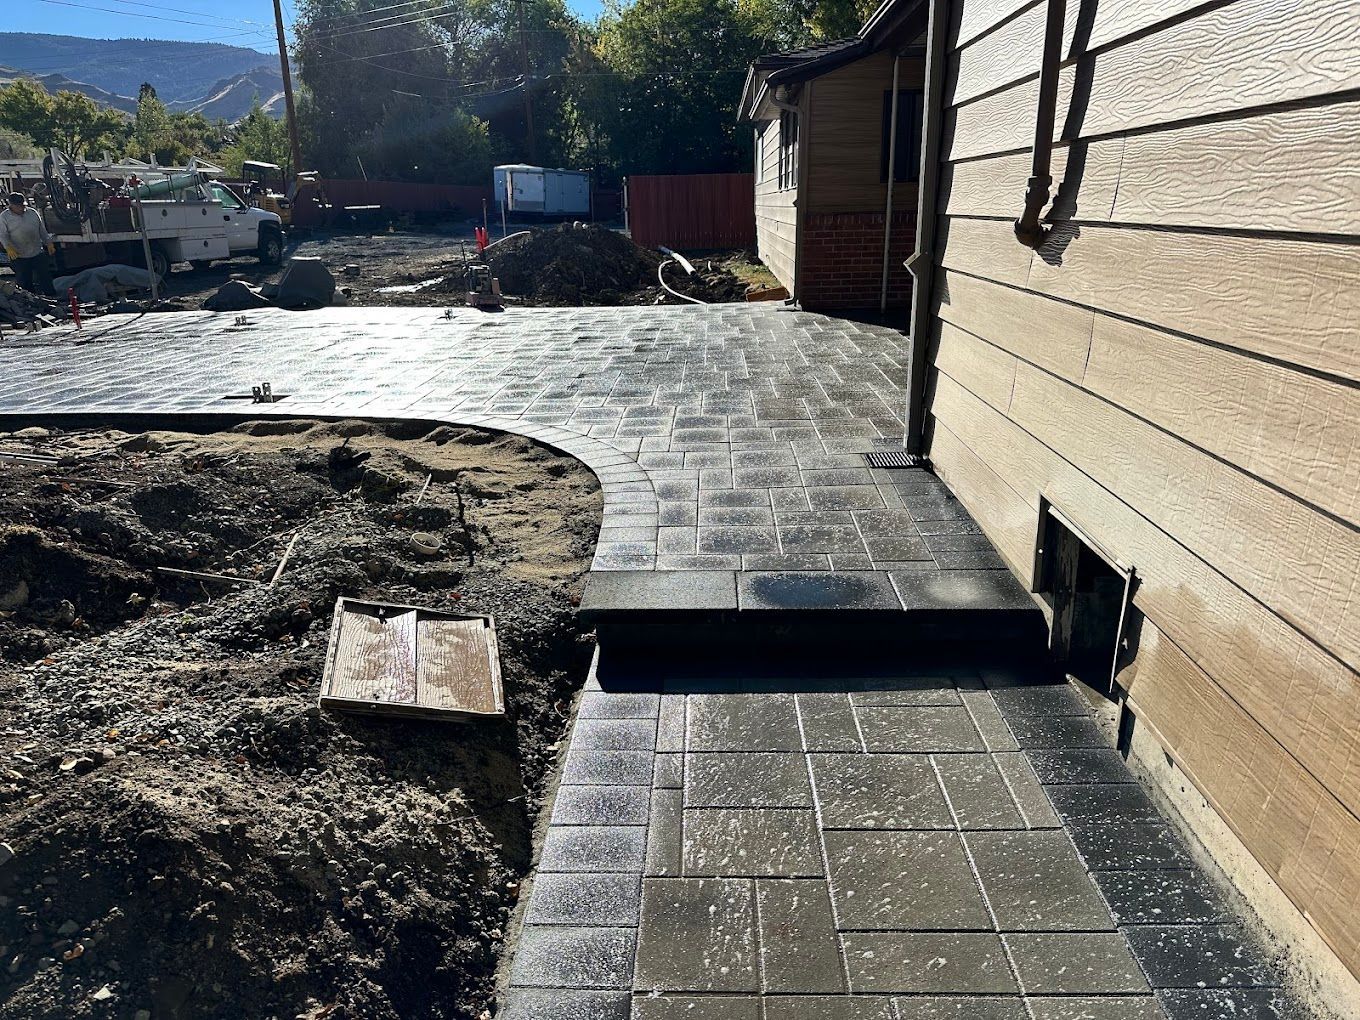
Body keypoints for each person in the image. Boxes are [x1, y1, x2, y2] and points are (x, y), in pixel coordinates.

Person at [1, 192, 56, 295]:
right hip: (19, 255)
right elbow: (3, 235)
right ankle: (30, 301)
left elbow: (41, 230)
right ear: (11, 205)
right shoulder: (4, 217)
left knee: (45, 277)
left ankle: (52, 296)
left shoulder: (32, 213)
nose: (20, 208)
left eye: (22, 205)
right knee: (25, 281)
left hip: (37, 252)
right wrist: (8, 247)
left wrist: (48, 243)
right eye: (17, 206)